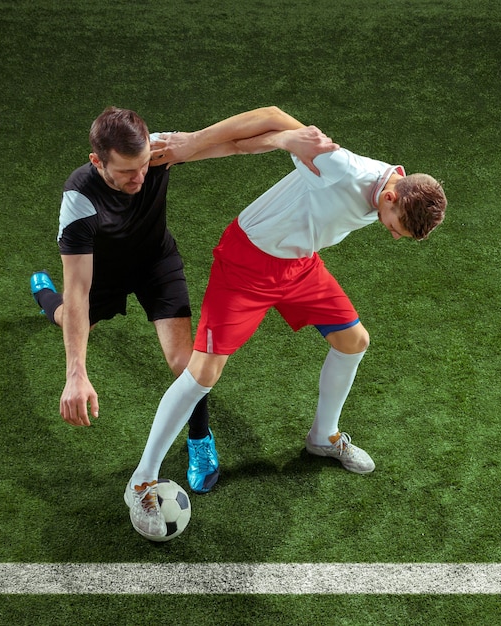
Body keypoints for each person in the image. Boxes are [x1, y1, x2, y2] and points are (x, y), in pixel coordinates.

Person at [124, 118, 448, 538]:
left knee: (354, 341)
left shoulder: (392, 188)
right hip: (248, 262)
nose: (392, 236)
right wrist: (191, 144)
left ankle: (323, 437)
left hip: (299, 266)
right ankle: (141, 479)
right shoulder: (343, 167)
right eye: (393, 226)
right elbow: (274, 117)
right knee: (203, 372)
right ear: (391, 193)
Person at [30, 105, 336, 495]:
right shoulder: (79, 200)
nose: (140, 176)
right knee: (68, 316)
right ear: (97, 161)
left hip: (157, 265)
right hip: (101, 273)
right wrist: (76, 373)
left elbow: (237, 141)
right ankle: (43, 294)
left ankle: (200, 441)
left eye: (143, 166)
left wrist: (283, 139)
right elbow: (79, 291)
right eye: (126, 171)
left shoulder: (156, 151)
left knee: (184, 364)